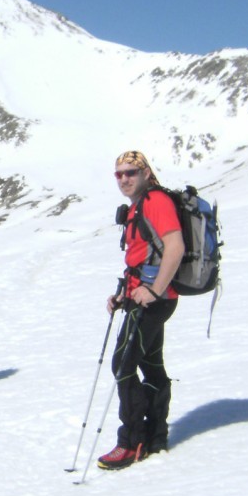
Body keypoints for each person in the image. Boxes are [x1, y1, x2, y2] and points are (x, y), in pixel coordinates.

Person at [99, 152, 185, 470]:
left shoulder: (156, 201)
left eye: (130, 172)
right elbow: (142, 256)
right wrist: (123, 294)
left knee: (123, 364)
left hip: (153, 299)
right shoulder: (139, 205)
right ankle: (156, 436)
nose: (124, 179)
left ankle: (131, 442)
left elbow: (175, 247)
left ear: (146, 172)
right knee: (150, 365)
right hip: (144, 296)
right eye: (118, 174)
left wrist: (153, 290)